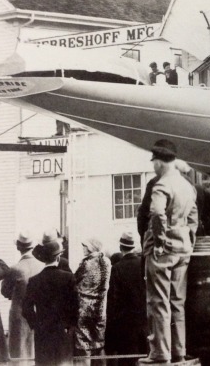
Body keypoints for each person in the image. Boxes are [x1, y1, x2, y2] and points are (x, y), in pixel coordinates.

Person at [141, 139, 198, 364]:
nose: (153, 165)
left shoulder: (161, 185)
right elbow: (193, 217)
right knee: (177, 302)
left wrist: (159, 243)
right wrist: (188, 240)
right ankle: (179, 351)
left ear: (159, 162)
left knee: (158, 301)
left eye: (153, 161)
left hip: (163, 252)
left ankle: (160, 353)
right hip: (183, 250)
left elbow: (156, 213)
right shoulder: (187, 185)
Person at [23, 238, 78, 366]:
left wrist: (36, 325)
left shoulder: (34, 280)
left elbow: (26, 308)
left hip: (42, 333)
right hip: (62, 331)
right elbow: (75, 306)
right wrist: (70, 325)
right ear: (58, 257)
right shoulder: (68, 277)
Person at [106, 232, 148, 365]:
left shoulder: (117, 268)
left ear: (120, 247)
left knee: (127, 360)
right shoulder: (144, 264)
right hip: (145, 320)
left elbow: (113, 299)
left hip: (125, 324)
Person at [1, 231, 44, 361]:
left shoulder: (15, 269)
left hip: (19, 315)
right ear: (33, 247)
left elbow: (4, 291)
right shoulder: (42, 266)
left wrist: (16, 294)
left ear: (18, 247)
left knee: (19, 353)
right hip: (39, 314)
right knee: (36, 352)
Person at [74, 237, 111, 360]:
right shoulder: (106, 262)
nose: (83, 249)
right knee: (99, 343)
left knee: (84, 345)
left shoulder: (86, 263)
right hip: (100, 308)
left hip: (85, 308)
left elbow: (75, 280)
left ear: (91, 248)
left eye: (85, 246)